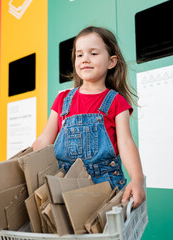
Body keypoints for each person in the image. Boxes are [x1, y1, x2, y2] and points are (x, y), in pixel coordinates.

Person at [32, 26, 145, 208]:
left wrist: (137, 179)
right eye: (79, 55)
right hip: (64, 186)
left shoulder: (116, 101)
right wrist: (21, 166)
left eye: (93, 53)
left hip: (105, 188)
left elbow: (125, 143)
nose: (85, 59)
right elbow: (43, 141)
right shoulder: (62, 100)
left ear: (111, 61)